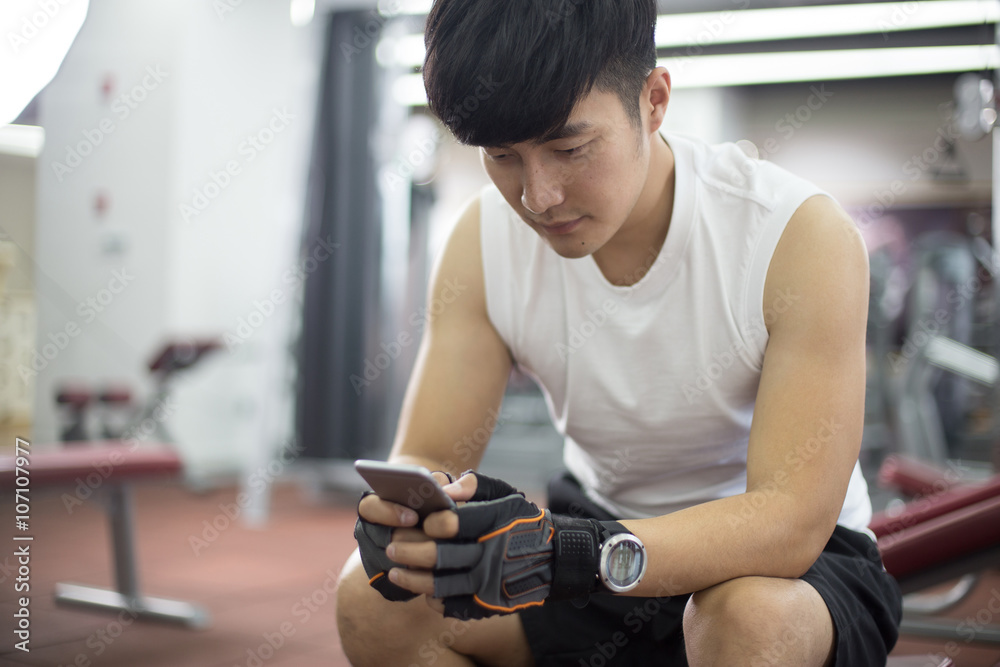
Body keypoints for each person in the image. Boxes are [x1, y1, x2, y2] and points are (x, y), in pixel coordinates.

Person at [336, 0, 903, 665]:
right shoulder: (482, 241)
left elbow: (788, 521)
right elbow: (428, 455)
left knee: (746, 617)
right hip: (590, 539)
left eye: (569, 148)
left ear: (654, 100)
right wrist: (407, 516)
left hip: (784, 568)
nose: (538, 195)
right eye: (503, 156)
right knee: (369, 602)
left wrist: (568, 553)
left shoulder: (798, 236)